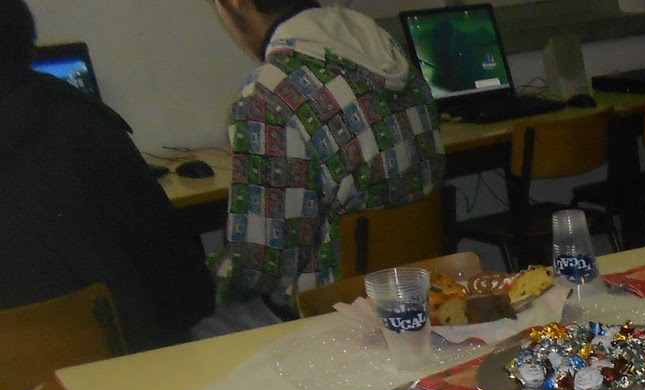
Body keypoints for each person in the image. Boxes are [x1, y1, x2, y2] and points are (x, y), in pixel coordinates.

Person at [0, 0, 213, 351]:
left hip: (17, 378)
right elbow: (173, 267)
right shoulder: (86, 120)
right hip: (124, 363)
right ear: (29, 43)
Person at [208, 0, 445, 313]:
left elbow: (261, 270)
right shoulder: (389, 54)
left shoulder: (267, 95)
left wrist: (202, 277)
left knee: (182, 318)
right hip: (416, 295)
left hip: (333, 312)